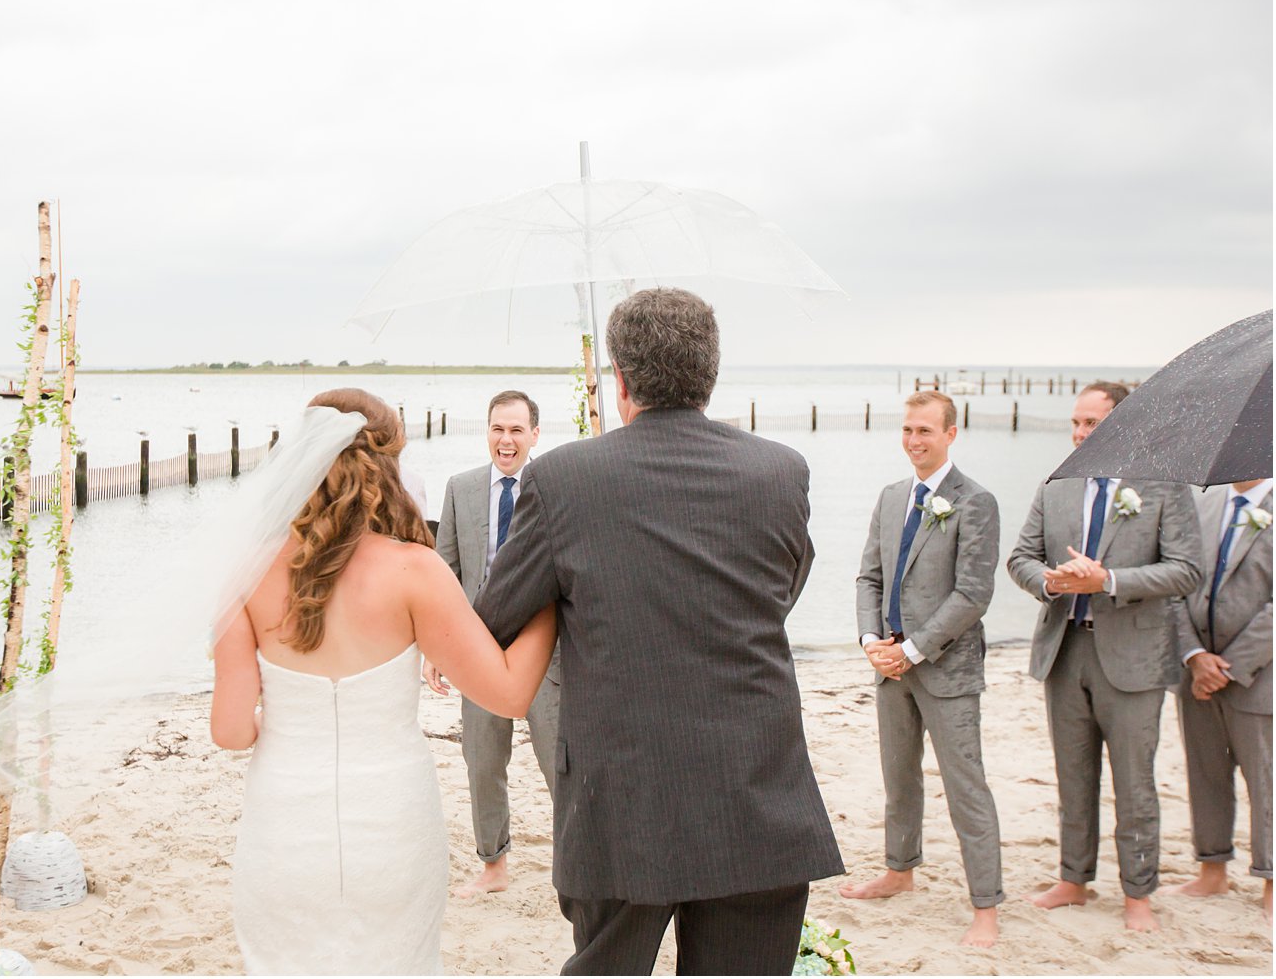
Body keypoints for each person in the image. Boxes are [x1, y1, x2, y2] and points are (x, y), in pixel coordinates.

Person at [473, 288, 843, 975]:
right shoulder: (780, 471)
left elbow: (497, 616)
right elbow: (779, 593)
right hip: (757, 788)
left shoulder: (561, 478)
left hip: (623, 798)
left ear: (619, 380)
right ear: (711, 372)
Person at [208, 389, 557, 975]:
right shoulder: (414, 570)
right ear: (387, 464)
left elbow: (230, 732)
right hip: (393, 828)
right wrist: (548, 596)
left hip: (283, 828)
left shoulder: (245, 572)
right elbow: (510, 692)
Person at [1006, 382, 1201, 932]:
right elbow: (1020, 556)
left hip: (1134, 658)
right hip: (1065, 651)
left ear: (1124, 423)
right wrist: (1048, 582)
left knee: (1135, 783)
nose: (1079, 434)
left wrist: (1108, 579)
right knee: (1073, 776)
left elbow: (1186, 568)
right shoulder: (1056, 484)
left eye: (1091, 423)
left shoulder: (1163, 486)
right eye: (1076, 422)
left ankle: (1138, 894)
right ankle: (1073, 880)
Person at [841, 391, 1004, 946]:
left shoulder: (975, 501)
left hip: (946, 670)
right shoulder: (891, 498)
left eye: (926, 431)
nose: (914, 441)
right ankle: (899, 870)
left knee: (966, 787)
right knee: (898, 778)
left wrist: (912, 650)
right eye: (908, 430)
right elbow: (869, 578)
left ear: (950, 433)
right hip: (889, 667)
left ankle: (986, 906)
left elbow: (973, 594)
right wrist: (870, 641)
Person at [422, 390, 560, 898]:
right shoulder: (460, 488)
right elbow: (444, 573)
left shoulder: (558, 486)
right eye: (498, 429)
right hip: (477, 648)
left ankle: (574, 865)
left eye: (517, 430)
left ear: (535, 436)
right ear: (487, 431)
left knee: (557, 759)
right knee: (482, 760)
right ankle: (493, 866)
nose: (506, 440)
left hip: (545, 648)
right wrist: (435, 649)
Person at [1171, 476, 1272, 922]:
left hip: (1259, 673)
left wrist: (1227, 667)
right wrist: (1194, 656)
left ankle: (1270, 876)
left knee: (1265, 778)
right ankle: (1213, 868)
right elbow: (1177, 582)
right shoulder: (1202, 504)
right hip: (1196, 669)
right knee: (1205, 770)